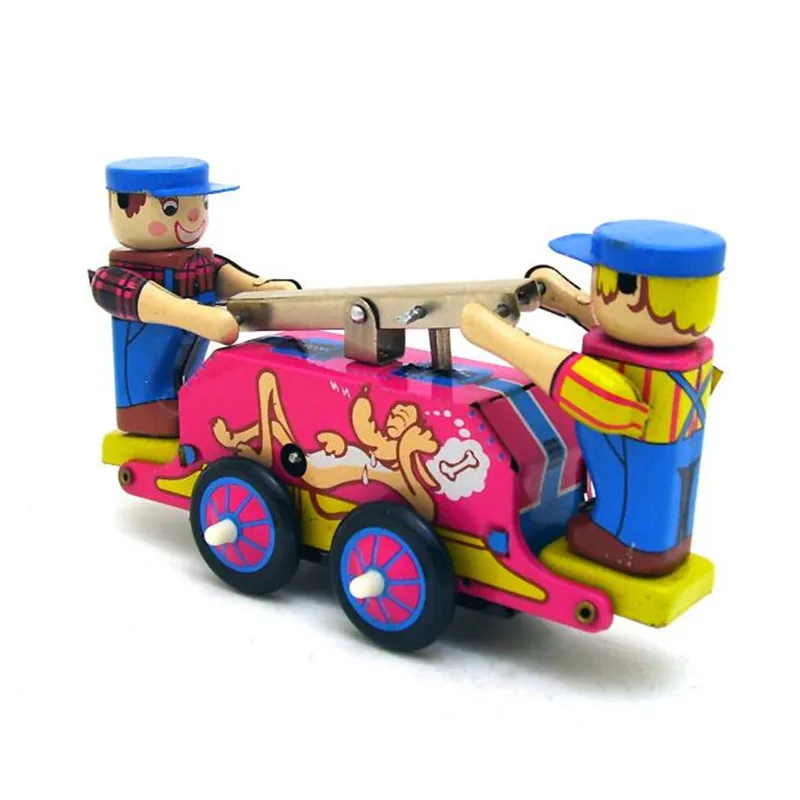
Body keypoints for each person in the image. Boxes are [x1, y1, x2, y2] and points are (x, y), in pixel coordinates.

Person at [461, 220, 724, 576]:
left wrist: (491, 334)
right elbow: (619, 324)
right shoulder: (691, 361)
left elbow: (577, 381)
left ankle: (619, 539)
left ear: (630, 288)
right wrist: (565, 298)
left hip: (631, 539)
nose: (596, 290)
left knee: (635, 486)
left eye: (604, 281)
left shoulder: (641, 378)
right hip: (659, 509)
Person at [89, 157, 298, 438]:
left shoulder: (198, 262)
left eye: (202, 204)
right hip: (146, 403)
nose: (194, 216)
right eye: (171, 208)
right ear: (121, 206)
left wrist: (264, 291)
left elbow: (226, 277)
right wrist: (195, 315)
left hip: (191, 383)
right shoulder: (114, 278)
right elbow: (142, 297)